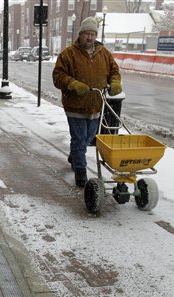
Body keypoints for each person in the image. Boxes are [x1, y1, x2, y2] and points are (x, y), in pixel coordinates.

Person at [53, 17, 122, 187]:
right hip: (75, 106)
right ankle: (80, 171)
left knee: (88, 138)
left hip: (96, 105)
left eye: (92, 34)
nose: (89, 38)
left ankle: (74, 155)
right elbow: (58, 76)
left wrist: (115, 82)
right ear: (80, 35)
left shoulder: (104, 53)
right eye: (86, 34)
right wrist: (73, 84)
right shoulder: (68, 54)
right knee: (79, 138)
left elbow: (114, 70)